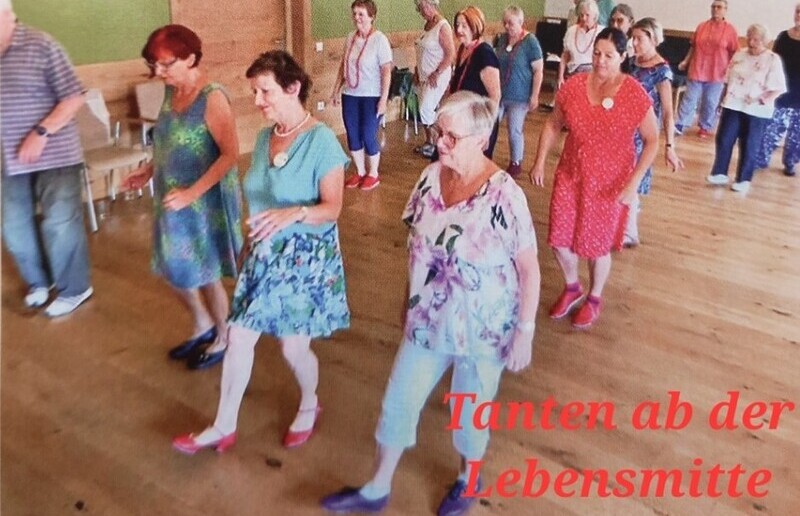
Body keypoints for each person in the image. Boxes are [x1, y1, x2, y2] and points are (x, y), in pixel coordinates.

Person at [321, 91, 540, 516]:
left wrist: (525, 333)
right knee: (398, 400)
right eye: (439, 132)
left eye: (452, 137)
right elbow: (417, 247)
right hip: (428, 316)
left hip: (484, 325)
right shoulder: (429, 177)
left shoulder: (505, 195)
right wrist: (408, 299)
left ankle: (468, 478)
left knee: (469, 410)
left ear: (481, 139)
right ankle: (376, 489)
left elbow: (529, 269)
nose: (441, 142)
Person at [172, 51, 350, 453]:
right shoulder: (267, 137)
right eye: (254, 91)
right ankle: (223, 425)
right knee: (238, 336)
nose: (257, 100)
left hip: (305, 259)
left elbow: (332, 208)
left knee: (292, 347)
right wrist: (248, 248)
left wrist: (295, 213)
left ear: (293, 88)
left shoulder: (321, 141)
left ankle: (310, 402)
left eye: (264, 91)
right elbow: (259, 198)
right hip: (264, 256)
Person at [123, 25, 243, 369]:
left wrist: (192, 194)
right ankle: (202, 323)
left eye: (166, 64)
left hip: (203, 201)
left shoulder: (212, 98)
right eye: (154, 65)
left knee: (205, 273)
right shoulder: (170, 92)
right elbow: (168, 140)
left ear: (190, 59)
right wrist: (149, 169)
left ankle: (224, 336)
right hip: (172, 198)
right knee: (172, 267)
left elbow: (230, 155)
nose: (159, 72)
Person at [530, 28, 658, 329]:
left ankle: (595, 297)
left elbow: (652, 140)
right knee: (559, 239)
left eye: (609, 56)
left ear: (623, 56)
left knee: (596, 245)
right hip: (571, 174)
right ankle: (572, 286)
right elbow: (553, 124)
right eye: (597, 53)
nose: (600, 61)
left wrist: (633, 183)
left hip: (609, 184)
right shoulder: (574, 86)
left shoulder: (634, 93)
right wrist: (539, 162)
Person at [0, 0, 93, 318]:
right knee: (13, 226)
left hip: (55, 153)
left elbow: (74, 96)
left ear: (8, 16)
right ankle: (39, 281)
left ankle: (75, 288)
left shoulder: (42, 45)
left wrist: (40, 132)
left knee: (59, 222)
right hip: (9, 158)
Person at [625, 17, 684, 247]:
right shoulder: (631, 62)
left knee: (633, 176)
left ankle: (630, 232)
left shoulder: (661, 71)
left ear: (653, 39)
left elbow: (668, 112)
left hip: (642, 134)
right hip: (623, 129)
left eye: (639, 39)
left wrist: (670, 147)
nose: (634, 43)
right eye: (633, 38)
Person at [706, 24, 786, 193]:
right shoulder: (739, 54)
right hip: (733, 104)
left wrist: (764, 99)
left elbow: (779, 87)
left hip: (757, 109)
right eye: (749, 38)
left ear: (764, 41)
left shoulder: (772, 59)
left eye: (756, 39)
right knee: (724, 138)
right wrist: (721, 100)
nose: (751, 42)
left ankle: (743, 179)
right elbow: (727, 80)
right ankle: (720, 173)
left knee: (749, 144)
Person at [331, 0, 392, 191]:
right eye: (355, 13)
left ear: (371, 17)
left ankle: (373, 173)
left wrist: (383, 100)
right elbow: (343, 65)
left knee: (367, 133)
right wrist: (335, 90)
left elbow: (386, 72)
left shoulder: (380, 40)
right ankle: (360, 171)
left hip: (372, 96)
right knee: (352, 133)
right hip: (350, 94)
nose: (356, 18)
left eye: (361, 14)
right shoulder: (350, 37)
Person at [674, 0, 738, 138]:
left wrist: (731, 70)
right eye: (713, 7)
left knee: (710, 101)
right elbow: (693, 46)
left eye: (719, 7)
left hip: (717, 71)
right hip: (697, 67)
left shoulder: (730, 30)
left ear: (725, 10)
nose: (716, 9)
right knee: (689, 98)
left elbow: (734, 52)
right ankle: (681, 124)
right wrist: (685, 61)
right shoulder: (702, 26)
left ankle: (705, 126)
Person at [494, 5, 543, 177]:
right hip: (500, 94)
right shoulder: (502, 39)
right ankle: (485, 155)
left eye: (511, 23)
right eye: (505, 23)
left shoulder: (530, 42)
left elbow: (538, 71)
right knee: (491, 124)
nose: (507, 26)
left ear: (521, 22)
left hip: (519, 97)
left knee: (514, 130)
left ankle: (516, 162)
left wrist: (535, 95)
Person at [448, 6, 501, 158]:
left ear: (475, 27)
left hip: (478, 124)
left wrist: (486, 131)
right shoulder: (463, 49)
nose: (459, 30)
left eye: (464, 26)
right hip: (461, 120)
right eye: (457, 25)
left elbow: (495, 97)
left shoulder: (485, 54)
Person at [757, 3, 800, 177]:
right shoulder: (783, 37)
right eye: (798, 11)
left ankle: (790, 162)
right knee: (771, 130)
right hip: (781, 92)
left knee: (797, 136)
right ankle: (761, 159)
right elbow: (772, 62)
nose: (799, 15)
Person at [412, 0, 454, 159]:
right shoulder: (427, 25)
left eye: (424, 7)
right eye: (419, 8)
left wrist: (437, 72)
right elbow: (422, 51)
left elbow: (450, 54)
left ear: (432, 4)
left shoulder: (443, 26)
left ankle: (443, 139)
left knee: (426, 108)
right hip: (424, 75)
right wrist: (417, 71)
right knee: (423, 109)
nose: (421, 11)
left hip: (438, 75)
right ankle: (430, 141)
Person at [559, 0, 604, 90]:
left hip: (593, 74)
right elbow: (565, 56)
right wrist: (560, 77)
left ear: (595, 16)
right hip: (573, 72)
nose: (583, 18)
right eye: (581, 15)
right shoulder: (571, 31)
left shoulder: (602, 32)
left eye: (587, 15)